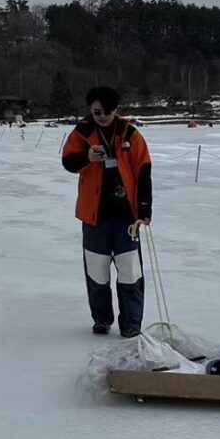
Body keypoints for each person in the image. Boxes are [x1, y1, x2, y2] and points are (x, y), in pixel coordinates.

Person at [61, 87, 152, 338]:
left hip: (126, 218)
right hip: (94, 217)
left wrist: (145, 207)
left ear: (116, 110)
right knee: (97, 272)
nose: (102, 116)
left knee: (130, 272)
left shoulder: (130, 134)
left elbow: (144, 171)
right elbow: (68, 162)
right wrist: (87, 156)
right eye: (96, 112)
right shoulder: (82, 133)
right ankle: (101, 318)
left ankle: (131, 322)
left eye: (107, 112)